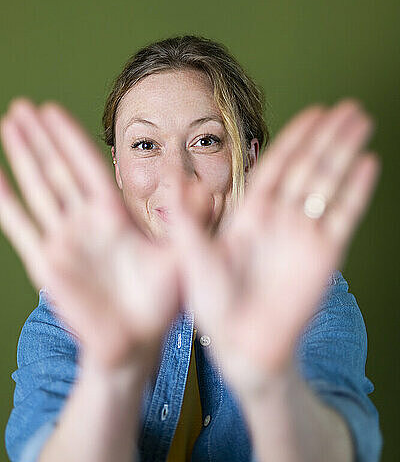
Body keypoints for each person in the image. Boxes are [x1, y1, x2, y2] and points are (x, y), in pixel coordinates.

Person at [1, 34, 382, 462]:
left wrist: (271, 385)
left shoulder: (311, 295)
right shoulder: (71, 307)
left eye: (206, 141)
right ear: (118, 168)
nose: (177, 178)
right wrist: (113, 377)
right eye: (145, 145)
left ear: (250, 157)